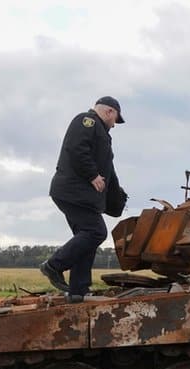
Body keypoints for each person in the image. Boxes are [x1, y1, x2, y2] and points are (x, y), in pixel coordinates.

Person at [39, 96, 125, 301]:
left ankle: (78, 291)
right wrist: (92, 175)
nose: (115, 125)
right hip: (73, 192)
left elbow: (109, 172)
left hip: (82, 196)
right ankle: (53, 265)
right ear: (109, 112)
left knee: (86, 239)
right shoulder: (87, 121)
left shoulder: (102, 134)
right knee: (96, 232)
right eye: (115, 120)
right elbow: (76, 148)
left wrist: (117, 197)